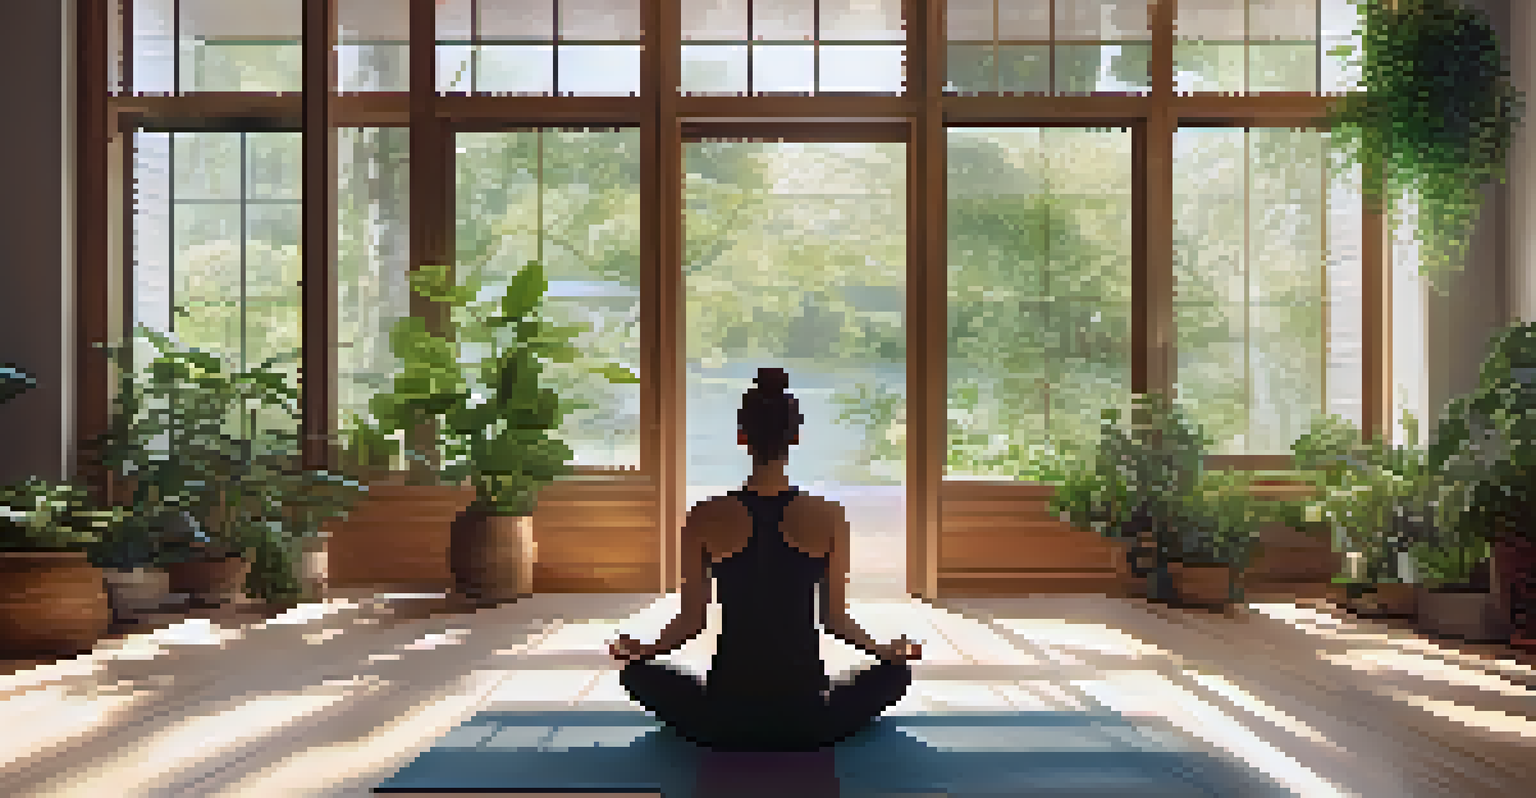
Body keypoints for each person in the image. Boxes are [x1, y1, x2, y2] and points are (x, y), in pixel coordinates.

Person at [609, 367, 922, 752]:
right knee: (896, 674)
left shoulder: (705, 515)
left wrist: (643, 652)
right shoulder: (828, 515)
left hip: (723, 719)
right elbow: (836, 621)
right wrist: (886, 652)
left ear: (742, 437)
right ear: (796, 437)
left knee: (635, 674)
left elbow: (691, 623)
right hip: (808, 719)